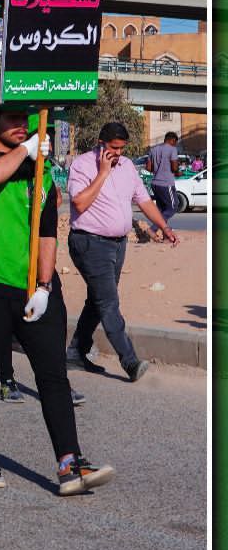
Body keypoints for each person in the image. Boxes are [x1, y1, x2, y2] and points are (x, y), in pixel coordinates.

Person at [0, 102, 114, 496]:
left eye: (24, 122)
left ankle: (69, 462)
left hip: (32, 290)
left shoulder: (39, 172)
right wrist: (26, 151)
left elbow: (47, 231)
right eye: (11, 121)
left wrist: (44, 287)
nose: (20, 127)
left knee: (53, 376)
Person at [67, 121, 179, 384]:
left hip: (118, 243)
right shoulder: (83, 165)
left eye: (121, 148)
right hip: (89, 242)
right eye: (114, 148)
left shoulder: (128, 166)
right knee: (108, 302)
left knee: (98, 300)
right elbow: (79, 203)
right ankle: (129, 361)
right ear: (101, 143)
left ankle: (75, 351)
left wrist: (164, 226)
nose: (118, 153)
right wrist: (103, 173)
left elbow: (143, 200)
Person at [146, 130, 180, 237]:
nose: (176, 145)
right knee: (173, 207)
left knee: (162, 210)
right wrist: (178, 172)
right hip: (166, 183)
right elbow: (174, 168)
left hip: (155, 183)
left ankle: (165, 235)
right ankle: (153, 229)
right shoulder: (172, 149)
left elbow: (148, 168)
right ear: (173, 140)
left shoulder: (153, 149)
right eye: (175, 142)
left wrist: (158, 169)